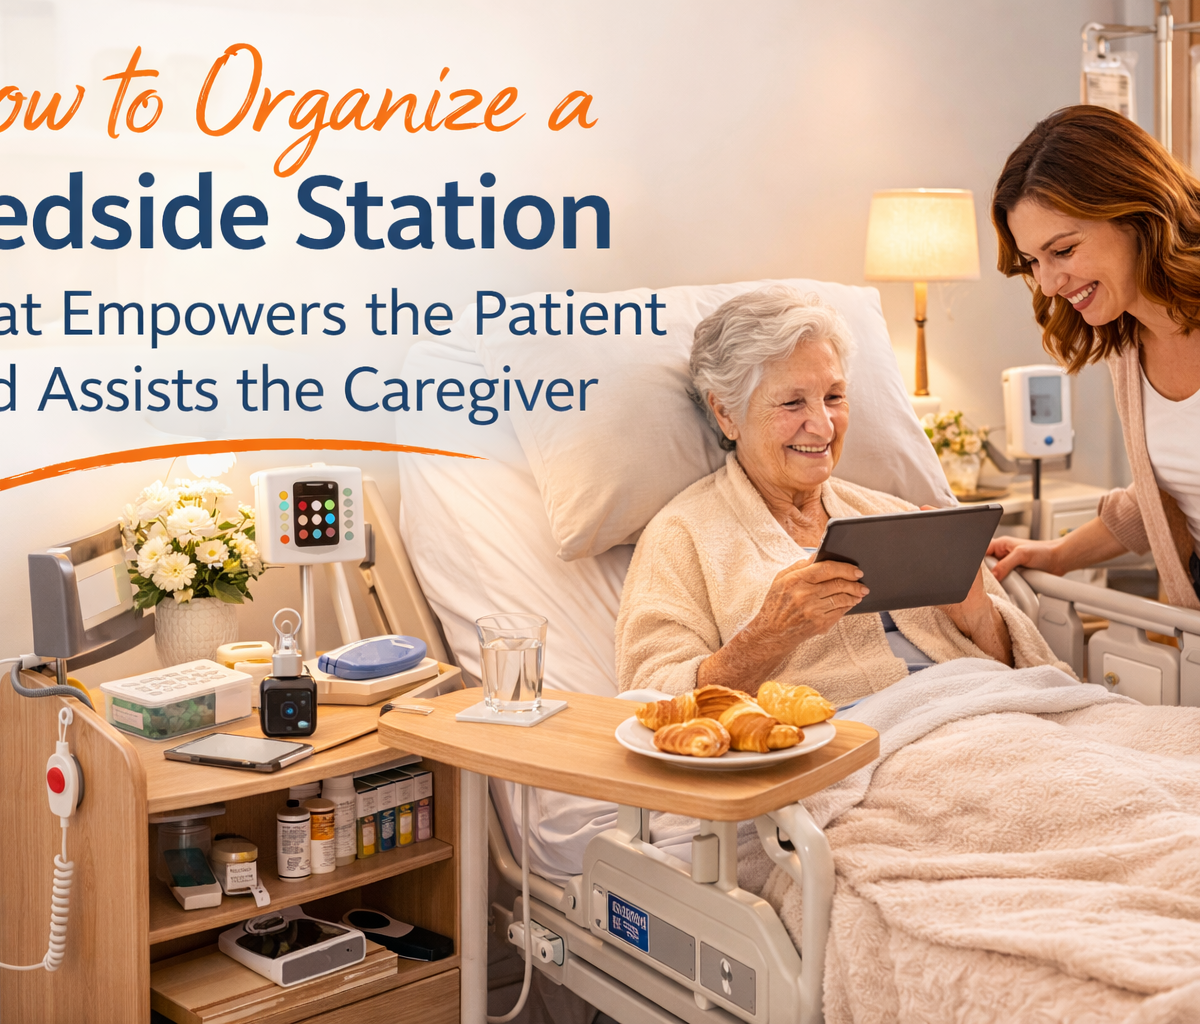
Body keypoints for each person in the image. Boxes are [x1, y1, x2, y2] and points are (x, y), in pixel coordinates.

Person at [614, 287, 1062, 705]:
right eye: (792, 403)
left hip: (992, 708)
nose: (825, 426)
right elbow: (654, 700)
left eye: (833, 396)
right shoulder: (683, 536)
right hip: (863, 743)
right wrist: (771, 633)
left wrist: (977, 614)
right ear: (726, 412)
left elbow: (1032, 667)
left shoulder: (894, 514)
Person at [989, 105, 1200, 608]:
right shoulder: (1128, 341)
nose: (1047, 283)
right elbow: (1162, 492)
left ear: (1136, 213)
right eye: (1033, 261)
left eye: (1062, 251)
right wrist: (1059, 554)